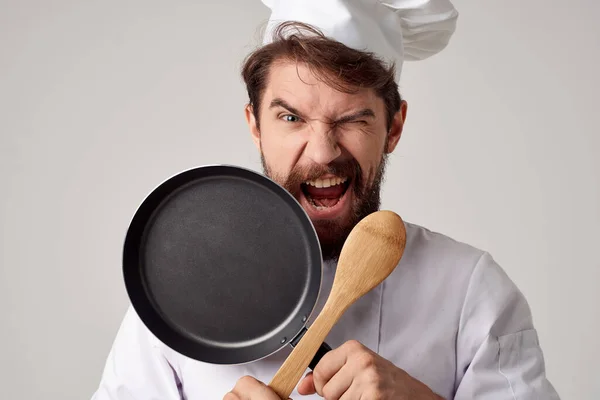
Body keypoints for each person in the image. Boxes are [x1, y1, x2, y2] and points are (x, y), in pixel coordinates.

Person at [92, 1, 561, 399]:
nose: (323, 152)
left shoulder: (470, 291)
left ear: (393, 127)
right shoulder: (179, 299)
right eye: (292, 118)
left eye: (353, 119)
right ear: (255, 124)